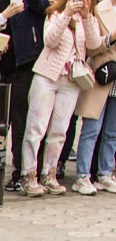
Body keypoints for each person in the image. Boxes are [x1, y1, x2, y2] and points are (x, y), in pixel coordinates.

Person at [18, 0, 101, 196]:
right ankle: (28, 175)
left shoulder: (87, 19)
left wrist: (87, 17)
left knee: (59, 130)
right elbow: (50, 41)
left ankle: (49, 173)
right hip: (47, 76)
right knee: (36, 128)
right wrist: (66, 15)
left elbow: (94, 45)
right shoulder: (54, 14)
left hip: (71, 81)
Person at [0, 0, 45, 192]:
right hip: (0, 66)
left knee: (20, 122)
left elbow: (43, 8)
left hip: (24, 66)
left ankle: (21, 172)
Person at [73, 8, 116, 194]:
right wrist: (112, 36)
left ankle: (105, 174)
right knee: (91, 129)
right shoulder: (99, 9)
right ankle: (82, 176)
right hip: (103, 75)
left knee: (112, 133)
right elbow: (91, 47)